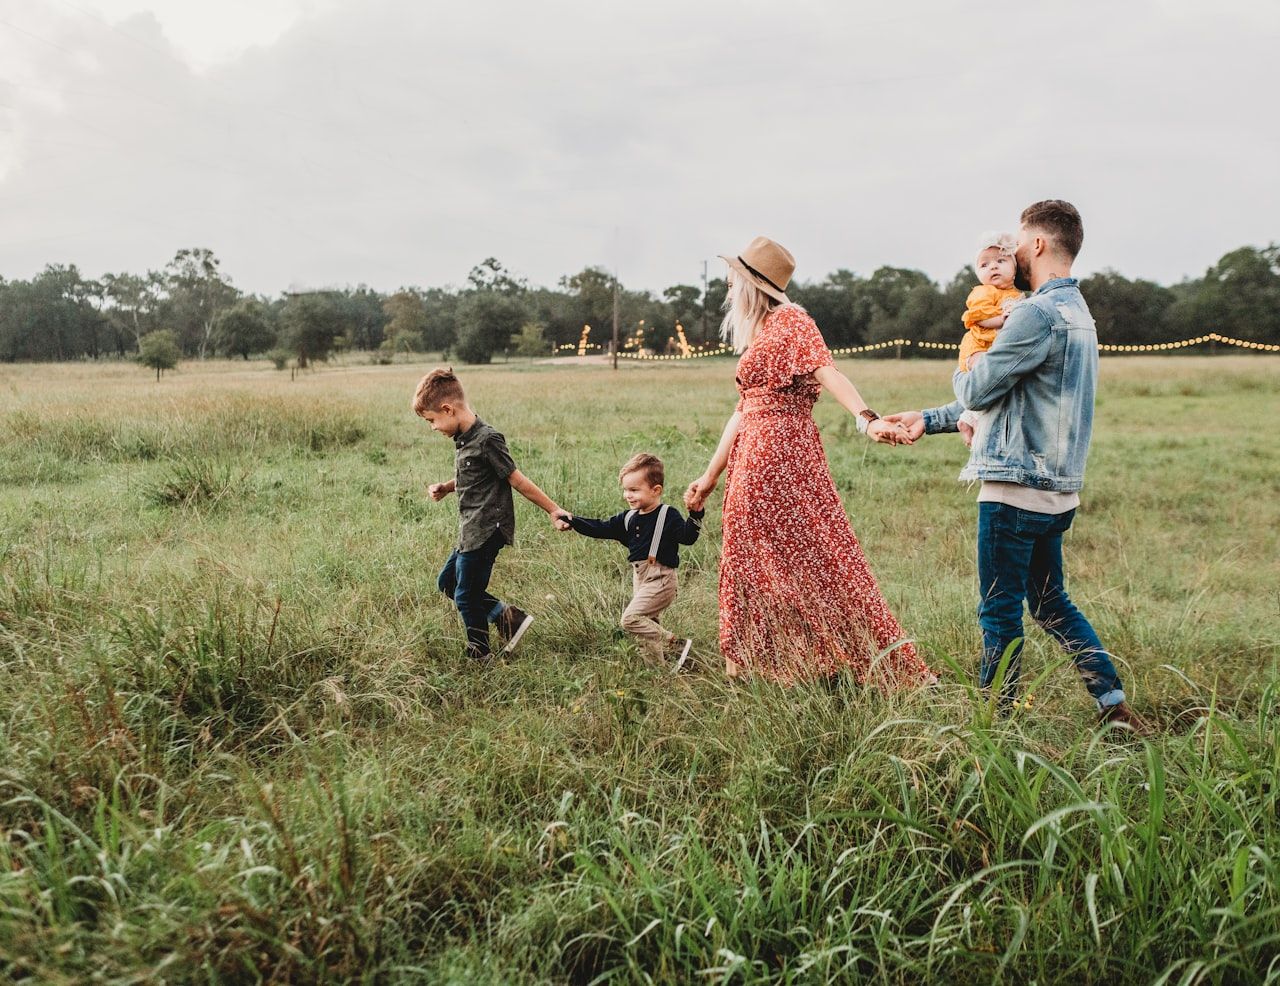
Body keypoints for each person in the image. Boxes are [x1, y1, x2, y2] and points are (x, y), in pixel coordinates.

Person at [884, 201, 1149, 731]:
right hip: (1058, 492)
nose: (1012, 252)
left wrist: (969, 365)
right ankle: (1113, 706)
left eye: (1019, 242)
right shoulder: (1079, 314)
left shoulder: (1033, 313)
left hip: (1013, 489)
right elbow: (1014, 396)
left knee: (999, 611)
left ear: (1040, 245)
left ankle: (994, 725)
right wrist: (930, 419)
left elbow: (981, 387)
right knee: (1052, 604)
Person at [684, 235, 935, 687]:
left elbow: (827, 371)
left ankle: (822, 659)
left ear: (752, 284)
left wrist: (866, 419)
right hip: (754, 452)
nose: (726, 287)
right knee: (754, 556)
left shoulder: (791, 321)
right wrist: (709, 476)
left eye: (732, 280)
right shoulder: (762, 331)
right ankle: (762, 663)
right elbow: (742, 411)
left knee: (813, 555)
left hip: (779, 453)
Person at [412, 367, 568, 661]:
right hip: (470, 529)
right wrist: (447, 487)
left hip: (487, 529)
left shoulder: (487, 439)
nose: (433, 428)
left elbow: (516, 479)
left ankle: (479, 654)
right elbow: (475, 477)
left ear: (448, 409)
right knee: (447, 583)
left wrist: (553, 510)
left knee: (466, 595)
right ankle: (508, 618)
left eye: (432, 421)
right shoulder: (465, 439)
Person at [556, 453, 703, 670]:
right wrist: (572, 520)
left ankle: (676, 644)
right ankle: (657, 673)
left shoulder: (667, 515)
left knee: (631, 619)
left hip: (661, 579)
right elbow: (600, 527)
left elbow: (688, 537)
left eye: (634, 490)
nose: (628, 495)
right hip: (640, 578)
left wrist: (695, 513)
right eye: (625, 490)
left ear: (656, 490)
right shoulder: (628, 518)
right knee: (646, 628)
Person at [956, 232, 1024, 453]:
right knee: (986, 377)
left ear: (1015, 268)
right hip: (979, 345)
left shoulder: (1018, 295)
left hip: (996, 346)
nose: (993, 267)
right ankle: (972, 422)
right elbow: (977, 316)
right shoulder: (983, 292)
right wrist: (1001, 320)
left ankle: (968, 418)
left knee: (997, 385)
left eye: (1001, 261)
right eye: (985, 265)